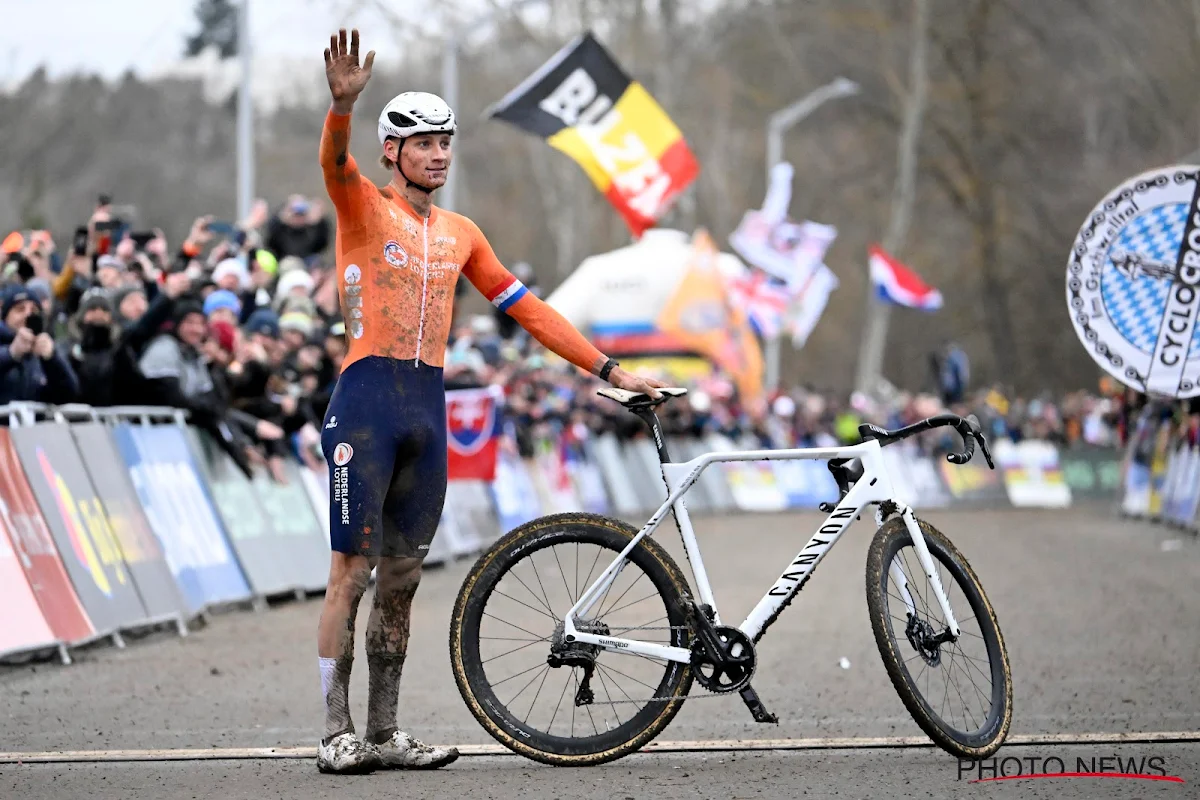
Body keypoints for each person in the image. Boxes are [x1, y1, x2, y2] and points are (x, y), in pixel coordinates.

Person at [313, 29, 667, 775]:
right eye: (422, 143)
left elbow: (528, 309)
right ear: (391, 152)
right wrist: (342, 107)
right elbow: (332, 163)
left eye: (446, 142)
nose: (439, 154)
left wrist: (611, 367)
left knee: (404, 580)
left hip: (427, 408)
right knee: (352, 570)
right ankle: (335, 732)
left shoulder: (463, 234)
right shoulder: (363, 209)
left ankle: (384, 732)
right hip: (367, 400)